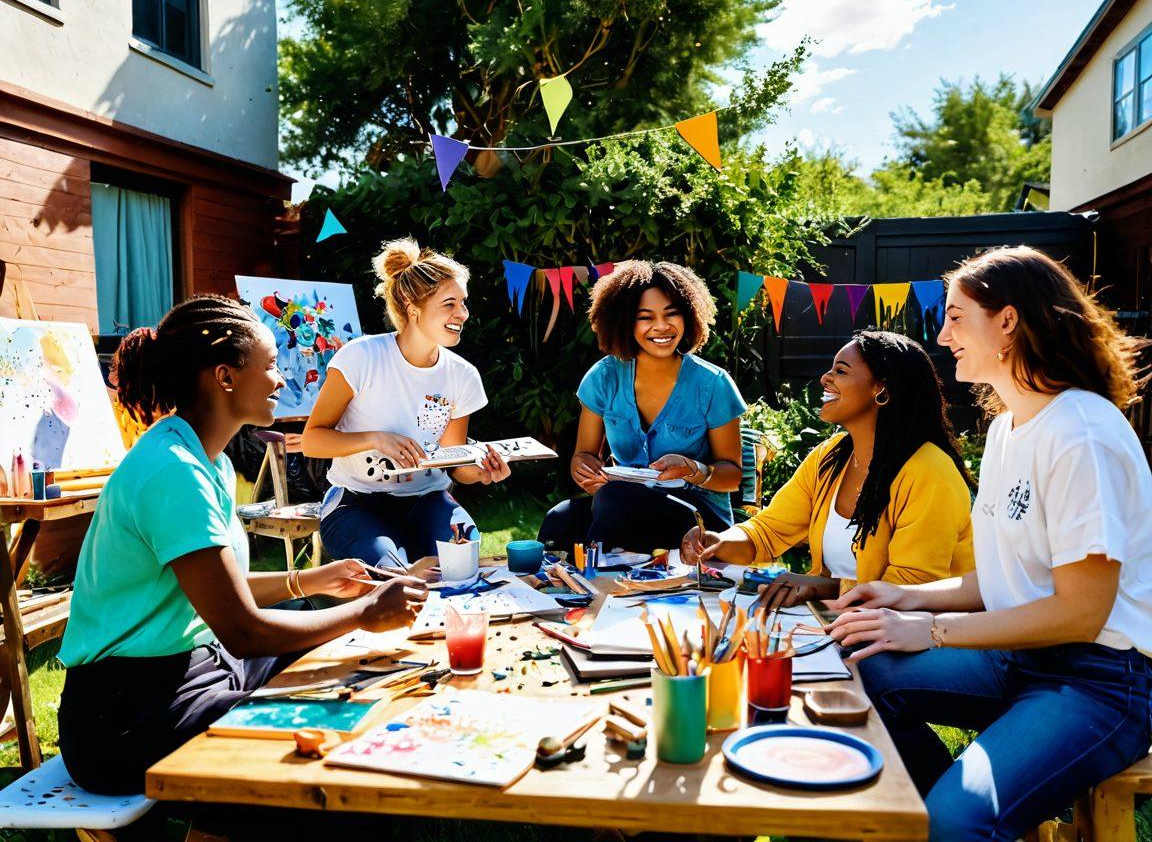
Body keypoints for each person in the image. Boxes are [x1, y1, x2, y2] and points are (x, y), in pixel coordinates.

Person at [826, 246, 1152, 841]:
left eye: (956, 317)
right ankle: (933, 818)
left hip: (1100, 681)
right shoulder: (1006, 427)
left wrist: (928, 630)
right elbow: (1003, 582)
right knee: (863, 672)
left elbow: (1081, 613)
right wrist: (902, 599)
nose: (943, 333)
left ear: (1007, 322)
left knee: (960, 817)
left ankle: (955, 819)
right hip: (1017, 658)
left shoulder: (1081, 432)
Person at [57, 295, 427, 795]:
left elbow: (215, 589)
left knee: (346, 666)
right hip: (125, 715)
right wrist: (363, 613)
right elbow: (243, 630)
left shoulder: (208, 461)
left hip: (196, 667)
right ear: (225, 377)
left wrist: (309, 579)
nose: (282, 380)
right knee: (324, 749)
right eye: (272, 366)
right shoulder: (175, 472)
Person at [681, 330, 976, 598]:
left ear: (881, 388)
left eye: (841, 370)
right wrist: (719, 540)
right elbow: (766, 532)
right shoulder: (831, 456)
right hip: (845, 623)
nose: (825, 378)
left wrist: (828, 588)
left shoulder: (930, 469)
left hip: (923, 639)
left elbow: (912, 586)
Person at [304, 238, 510, 568]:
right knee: (394, 578)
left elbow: (454, 461)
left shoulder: (463, 375)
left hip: (428, 500)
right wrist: (374, 439)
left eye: (463, 303)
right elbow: (312, 440)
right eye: (449, 304)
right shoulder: (360, 358)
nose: (463, 314)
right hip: (356, 503)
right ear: (413, 307)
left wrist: (483, 471)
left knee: (462, 565)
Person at [537, 261, 745, 552]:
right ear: (624, 322)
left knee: (614, 500)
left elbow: (732, 476)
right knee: (559, 521)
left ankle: (594, 583)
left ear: (688, 317)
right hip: (620, 506)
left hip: (697, 516)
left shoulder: (713, 383)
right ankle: (554, 590)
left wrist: (691, 469)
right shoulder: (604, 377)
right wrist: (584, 470)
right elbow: (583, 455)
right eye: (645, 317)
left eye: (672, 314)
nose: (661, 326)